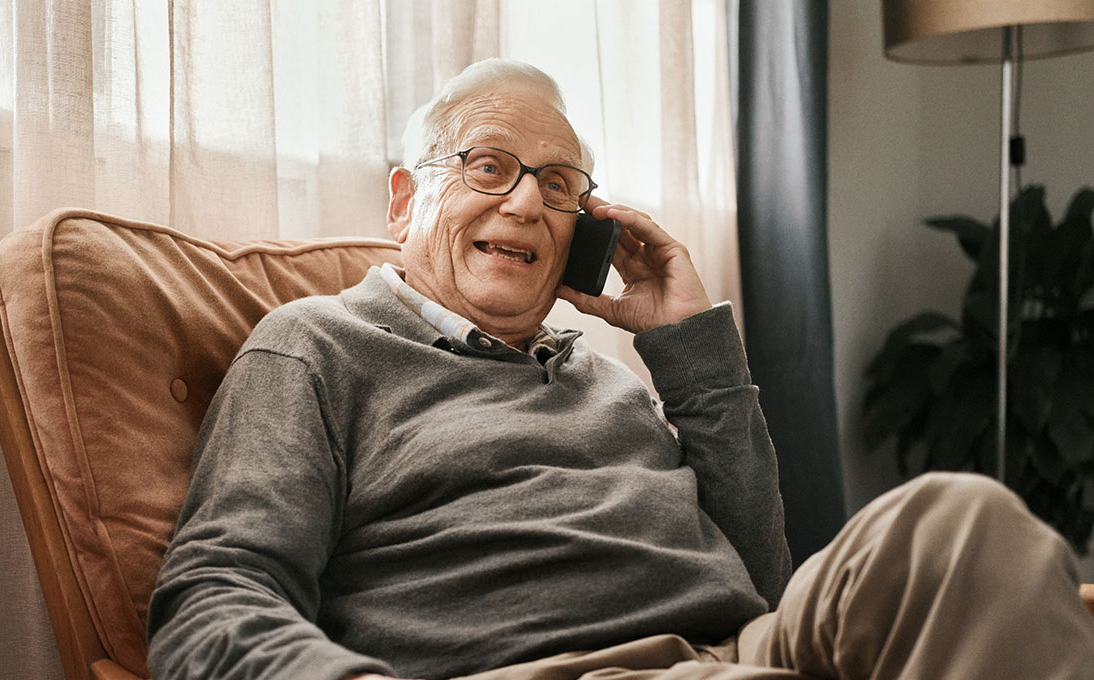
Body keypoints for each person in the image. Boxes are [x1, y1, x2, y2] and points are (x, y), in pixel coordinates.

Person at [146, 59, 1094, 680]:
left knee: (957, 518)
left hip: (746, 653)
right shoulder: (314, 345)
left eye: (559, 186)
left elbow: (762, 578)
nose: (524, 203)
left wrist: (690, 347)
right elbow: (214, 600)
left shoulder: (605, 377)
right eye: (488, 167)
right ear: (405, 200)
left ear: (584, 230)